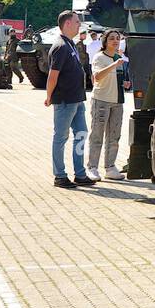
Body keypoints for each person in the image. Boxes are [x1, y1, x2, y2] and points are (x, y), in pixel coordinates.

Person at [44, 10, 95, 189]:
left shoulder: (70, 44)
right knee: (61, 137)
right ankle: (60, 175)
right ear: (66, 24)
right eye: (76, 22)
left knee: (81, 134)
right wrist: (49, 96)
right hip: (65, 100)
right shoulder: (60, 46)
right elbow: (53, 75)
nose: (79, 25)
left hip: (77, 99)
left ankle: (80, 174)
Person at [86, 28, 130, 180]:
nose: (115, 41)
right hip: (101, 100)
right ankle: (92, 167)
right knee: (97, 135)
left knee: (114, 136)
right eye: (111, 38)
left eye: (117, 38)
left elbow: (120, 79)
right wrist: (114, 65)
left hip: (117, 101)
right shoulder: (99, 57)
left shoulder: (119, 58)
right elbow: (97, 77)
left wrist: (126, 84)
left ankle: (110, 167)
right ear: (105, 41)